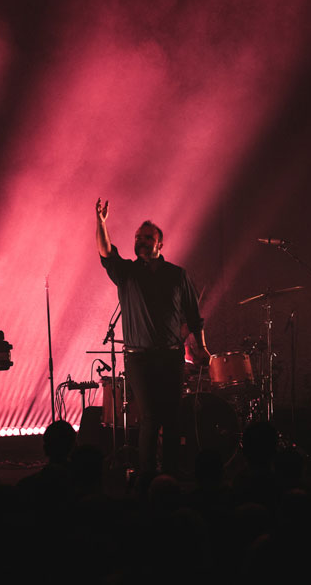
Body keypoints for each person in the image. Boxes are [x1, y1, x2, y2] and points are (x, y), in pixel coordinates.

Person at [95, 198, 210, 475]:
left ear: (160, 244)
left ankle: (168, 476)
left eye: (148, 237)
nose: (141, 240)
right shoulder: (128, 273)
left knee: (170, 419)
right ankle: (146, 479)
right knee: (149, 417)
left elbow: (194, 316)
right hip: (139, 358)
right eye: (138, 237)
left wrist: (202, 347)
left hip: (170, 356)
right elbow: (106, 251)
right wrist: (101, 222)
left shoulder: (177, 275)